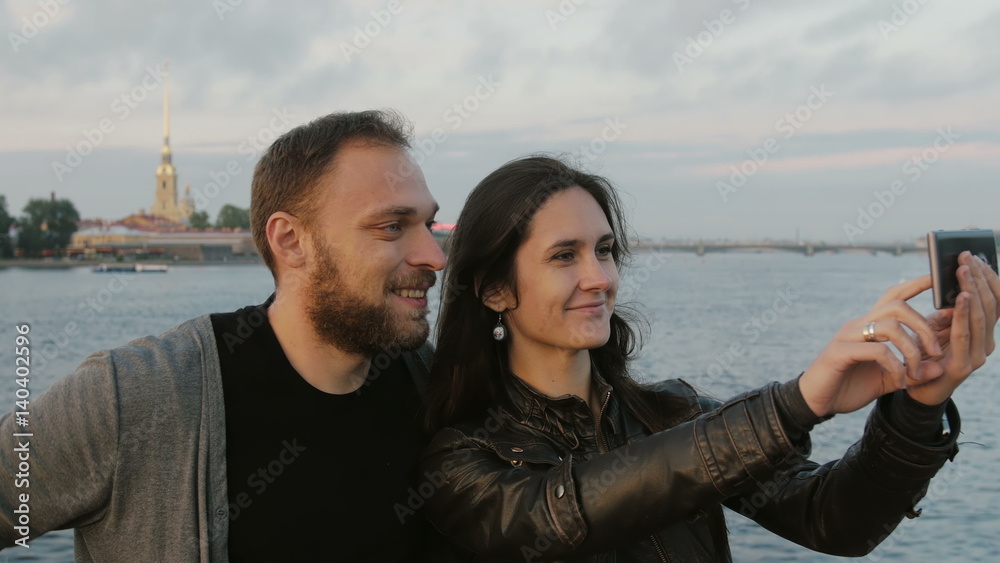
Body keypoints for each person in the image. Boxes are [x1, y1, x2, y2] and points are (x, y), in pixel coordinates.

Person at [419, 155, 1000, 561]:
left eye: (605, 250)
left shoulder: (669, 414)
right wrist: (795, 404)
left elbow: (836, 521)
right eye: (564, 256)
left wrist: (919, 402)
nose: (599, 277)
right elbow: (563, 515)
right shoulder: (462, 461)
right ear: (495, 289)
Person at [0, 110, 455, 561]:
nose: (435, 257)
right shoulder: (136, 398)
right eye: (392, 227)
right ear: (291, 241)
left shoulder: (431, 384)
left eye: (428, 226)